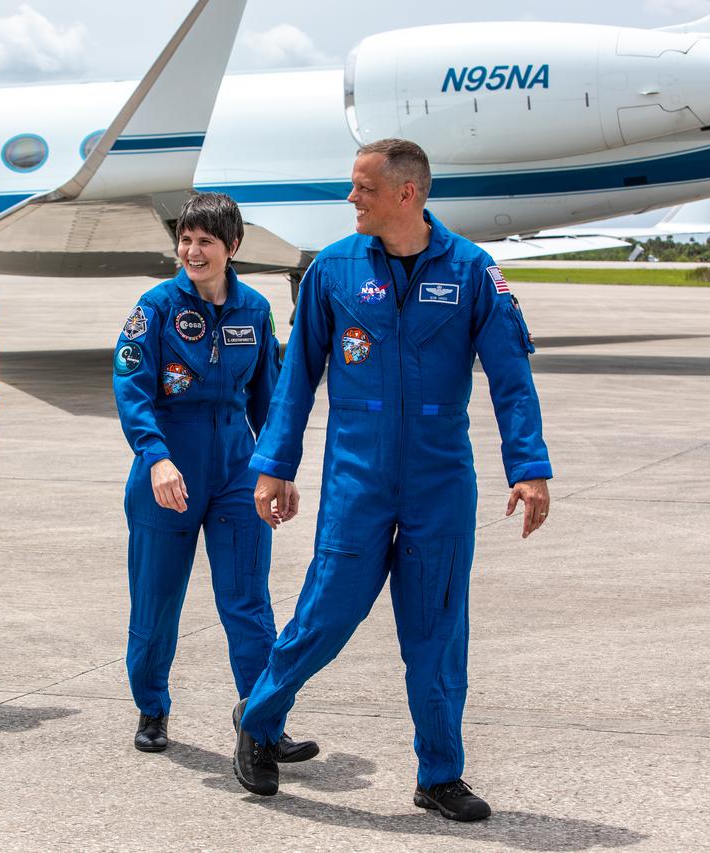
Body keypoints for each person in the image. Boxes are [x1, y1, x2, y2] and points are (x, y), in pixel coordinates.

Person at [231, 139, 552, 821]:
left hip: (439, 478)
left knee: (437, 630)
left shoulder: (471, 272)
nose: (351, 199)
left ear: (407, 193)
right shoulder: (333, 270)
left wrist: (528, 469)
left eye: (363, 188)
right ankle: (259, 721)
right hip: (358, 474)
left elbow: (511, 380)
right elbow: (297, 378)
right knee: (327, 612)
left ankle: (439, 773)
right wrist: (274, 467)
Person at [112, 192, 316, 757]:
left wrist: (279, 468)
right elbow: (132, 390)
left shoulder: (254, 309)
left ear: (232, 247)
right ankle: (152, 709)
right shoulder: (153, 309)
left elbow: (269, 400)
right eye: (186, 240)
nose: (193, 251)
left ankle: (262, 720)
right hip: (167, 472)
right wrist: (155, 458)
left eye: (206, 241)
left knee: (247, 603)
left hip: (234, 472)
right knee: (156, 605)